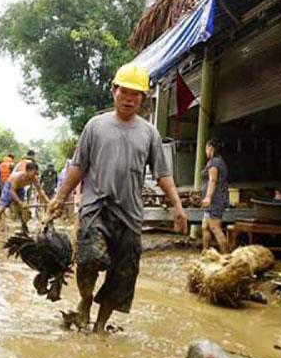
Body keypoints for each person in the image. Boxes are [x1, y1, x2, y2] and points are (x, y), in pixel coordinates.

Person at [48, 63, 188, 334]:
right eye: (124, 91)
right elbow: (78, 166)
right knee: (89, 258)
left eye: (136, 94)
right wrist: (60, 197)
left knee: (123, 274)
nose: (129, 98)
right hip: (95, 207)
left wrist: (178, 207)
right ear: (114, 91)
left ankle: (100, 326)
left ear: (143, 99)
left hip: (130, 214)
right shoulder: (95, 126)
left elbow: (162, 174)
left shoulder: (149, 133)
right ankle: (86, 301)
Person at [0, 161, 49, 233]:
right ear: (27, 171)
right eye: (34, 172)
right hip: (9, 187)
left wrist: (48, 202)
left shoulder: (34, 178)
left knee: (23, 209)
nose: (35, 175)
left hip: (20, 189)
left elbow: (40, 191)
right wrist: (20, 202)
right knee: (2, 208)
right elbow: (12, 191)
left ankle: (24, 227)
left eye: (36, 173)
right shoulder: (18, 177)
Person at [201, 138, 229, 253]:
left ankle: (226, 256)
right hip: (214, 199)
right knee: (205, 227)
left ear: (210, 148)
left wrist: (208, 197)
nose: (205, 151)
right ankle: (205, 252)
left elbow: (213, 180)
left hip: (215, 200)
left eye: (206, 149)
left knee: (215, 228)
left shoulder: (214, 163)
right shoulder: (217, 161)